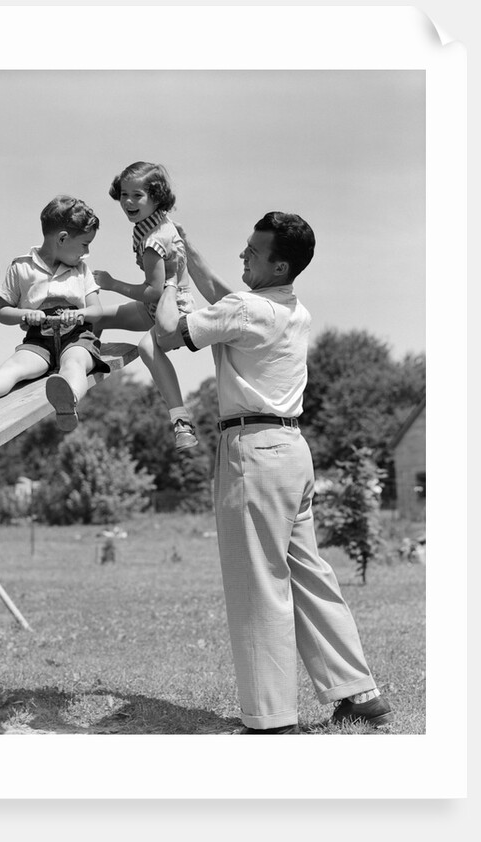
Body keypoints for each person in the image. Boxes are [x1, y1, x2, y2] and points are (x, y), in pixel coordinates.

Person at [155, 211, 393, 734]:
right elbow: (228, 301)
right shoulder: (289, 308)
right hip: (291, 451)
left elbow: (170, 334)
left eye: (253, 253)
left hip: (253, 452)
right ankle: (358, 693)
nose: (243, 255)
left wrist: (169, 275)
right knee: (309, 575)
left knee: (257, 584)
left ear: (279, 264)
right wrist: (188, 248)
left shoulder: (245, 309)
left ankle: (270, 719)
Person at [0, 195, 110, 432]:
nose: (86, 252)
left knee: (75, 364)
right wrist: (26, 314)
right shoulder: (21, 267)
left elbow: (97, 311)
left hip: (77, 337)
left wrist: (80, 315)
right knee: (14, 367)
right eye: (84, 244)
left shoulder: (81, 270)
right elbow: (2, 312)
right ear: (62, 238)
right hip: (39, 340)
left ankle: (69, 401)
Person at [84, 162, 198, 452]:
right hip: (153, 306)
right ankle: (78, 376)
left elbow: (153, 291)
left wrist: (112, 283)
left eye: (137, 195)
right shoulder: (151, 223)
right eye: (124, 194)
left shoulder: (153, 240)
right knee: (96, 318)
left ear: (157, 197)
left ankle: (181, 422)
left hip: (174, 309)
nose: (128, 202)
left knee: (148, 348)